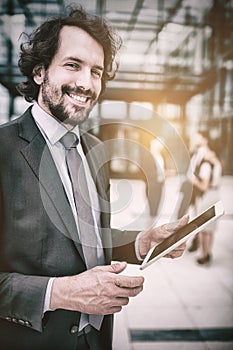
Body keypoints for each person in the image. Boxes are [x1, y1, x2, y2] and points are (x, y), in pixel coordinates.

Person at [0, 7, 189, 350]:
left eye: (96, 71)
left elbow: (85, 239)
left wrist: (142, 242)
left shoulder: (94, 150)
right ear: (40, 71)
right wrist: (60, 293)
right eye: (73, 65)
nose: (86, 84)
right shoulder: (2, 150)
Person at [175, 131, 209, 252]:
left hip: (196, 189)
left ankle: (195, 241)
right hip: (189, 187)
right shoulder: (195, 153)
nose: (195, 140)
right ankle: (178, 241)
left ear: (205, 139)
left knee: (196, 215)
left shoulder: (207, 154)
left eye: (198, 137)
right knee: (181, 214)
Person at [192, 145, 222, 265]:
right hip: (215, 196)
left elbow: (204, 186)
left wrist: (194, 180)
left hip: (206, 198)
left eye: (207, 151)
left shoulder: (206, 165)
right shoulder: (219, 164)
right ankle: (208, 253)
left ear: (212, 151)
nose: (204, 154)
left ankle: (203, 254)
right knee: (211, 229)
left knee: (203, 228)